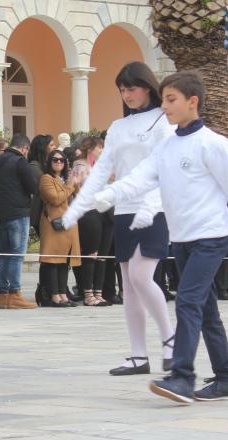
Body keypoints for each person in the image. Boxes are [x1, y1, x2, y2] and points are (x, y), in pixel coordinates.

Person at [93, 71, 228, 404]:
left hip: (211, 237)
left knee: (188, 300)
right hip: (182, 239)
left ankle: (182, 376)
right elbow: (142, 178)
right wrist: (110, 194)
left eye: (171, 99)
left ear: (193, 102)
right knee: (206, 310)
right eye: (163, 100)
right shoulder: (167, 146)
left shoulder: (213, 144)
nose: (164, 106)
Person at [61, 61, 175, 377]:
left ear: (147, 87)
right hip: (124, 209)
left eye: (132, 88)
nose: (127, 94)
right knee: (129, 284)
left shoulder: (163, 120)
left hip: (153, 208)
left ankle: (170, 340)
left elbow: (166, 166)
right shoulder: (118, 127)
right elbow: (103, 170)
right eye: (122, 90)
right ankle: (138, 355)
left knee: (141, 276)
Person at [0, 133, 38, 309]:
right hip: (18, 213)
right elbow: (32, 187)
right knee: (17, 254)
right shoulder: (20, 161)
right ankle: (15, 293)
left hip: (1, 214)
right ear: (24, 148)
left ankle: (2, 294)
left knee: (5, 253)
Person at [71, 136, 113, 306]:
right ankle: (88, 294)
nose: (102, 150)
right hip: (90, 212)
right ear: (90, 149)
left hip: (106, 211)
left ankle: (98, 292)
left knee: (102, 255)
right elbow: (74, 188)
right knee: (91, 254)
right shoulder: (80, 166)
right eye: (99, 147)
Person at [39, 149, 80, 307]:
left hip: (68, 224)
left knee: (64, 261)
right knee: (52, 260)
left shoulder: (65, 179)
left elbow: (78, 196)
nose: (58, 162)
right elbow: (56, 199)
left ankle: (63, 293)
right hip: (53, 225)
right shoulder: (46, 179)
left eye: (62, 160)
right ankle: (54, 295)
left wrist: (76, 181)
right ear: (49, 162)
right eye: (55, 160)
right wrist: (70, 186)